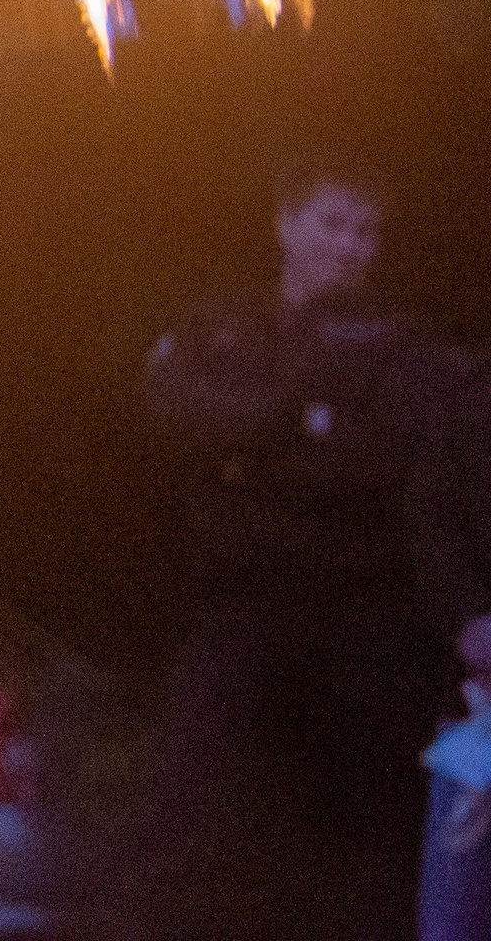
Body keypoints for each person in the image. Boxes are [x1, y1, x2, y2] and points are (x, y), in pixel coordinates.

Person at [133, 158, 444, 941]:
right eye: (334, 223)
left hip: (364, 621)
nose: (350, 245)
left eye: (366, 230)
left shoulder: (401, 345)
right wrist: (292, 413)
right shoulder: (220, 324)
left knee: (368, 837)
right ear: (286, 224)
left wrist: (255, 449)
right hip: (241, 610)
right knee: (192, 810)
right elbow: (179, 419)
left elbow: (386, 464)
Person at [409, 351, 491, 941]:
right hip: (481, 689)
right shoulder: (470, 389)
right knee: (457, 894)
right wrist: (468, 619)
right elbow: (431, 517)